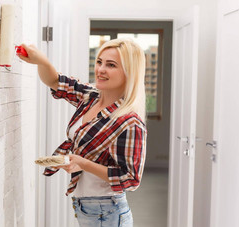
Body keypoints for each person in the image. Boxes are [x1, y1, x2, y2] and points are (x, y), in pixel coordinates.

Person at [17, 38, 147, 227]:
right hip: (88, 207)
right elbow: (55, 81)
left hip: (107, 210)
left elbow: (131, 179)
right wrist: (41, 61)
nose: (101, 69)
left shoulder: (129, 122)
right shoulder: (91, 97)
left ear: (129, 73)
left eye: (111, 65)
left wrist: (83, 163)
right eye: (99, 62)